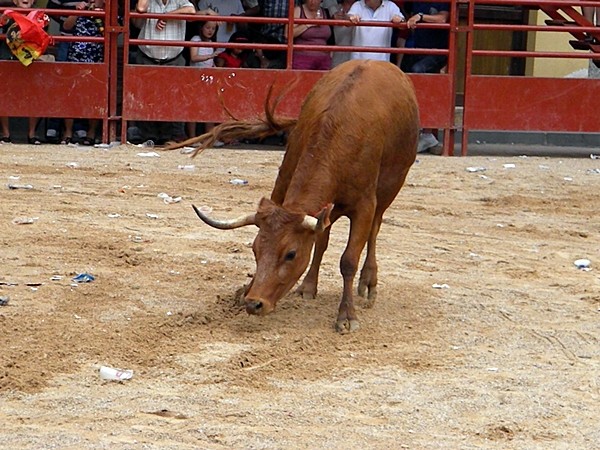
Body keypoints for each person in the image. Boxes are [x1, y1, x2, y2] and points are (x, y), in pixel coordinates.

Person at [133, 0, 196, 145]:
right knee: (146, 97)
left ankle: (170, 136)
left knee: (173, 97)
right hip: (147, 57)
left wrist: (166, 15)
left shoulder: (179, 1)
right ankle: (149, 136)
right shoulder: (149, 2)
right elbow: (141, 8)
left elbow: (191, 11)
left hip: (173, 58)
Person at [401, 1, 449, 153]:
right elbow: (406, 13)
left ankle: (426, 133)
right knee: (406, 77)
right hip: (417, 48)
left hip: (437, 51)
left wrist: (421, 17)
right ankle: (418, 133)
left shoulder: (443, 2)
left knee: (420, 74)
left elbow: (443, 19)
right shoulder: (414, 2)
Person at [0, 0, 44, 145]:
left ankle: (32, 134)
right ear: (14, 0)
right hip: (6, 56)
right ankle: (6, 134)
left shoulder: (40, 15)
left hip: (31, 59)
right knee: (3, 93)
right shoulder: (6, 14)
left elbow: (42, 38)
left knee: (35, 94)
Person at [61, 0, 105, 146]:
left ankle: (91, 134)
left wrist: (101, 15)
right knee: (71, 95)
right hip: (76, 57)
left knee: (95, 97)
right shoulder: (79, 9)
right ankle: (68, 133)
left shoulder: (109, 11)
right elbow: (66, 26)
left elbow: (114, 32)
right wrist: (78, 12)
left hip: (97, 60)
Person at [46, 0, 83, 144]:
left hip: (89, 44)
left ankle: (80, 126)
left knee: (82, 86)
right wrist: (66, 18)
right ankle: (54, 125)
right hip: (67, 39)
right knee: (61, 83)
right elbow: (51, 10)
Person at [187, 20, 218, 138]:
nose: (210, 31)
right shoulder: (196, 39)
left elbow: (211, 62)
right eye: (208, 27)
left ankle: (209, 137)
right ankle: (193, 138)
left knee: (210, 107)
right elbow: (193, 57)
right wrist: (210, 56)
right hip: (195, 78)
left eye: (213, 28)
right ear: (201, 28)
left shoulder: (212, 42)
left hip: (208, 79)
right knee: (194, 108)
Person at [285, 0, 332, 70]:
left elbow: (331, 37)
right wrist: (310, 23)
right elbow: (287, 34)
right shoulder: (298, 10)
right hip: (302, 59)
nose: (312, 2)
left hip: (323, 60)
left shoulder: (326, 12)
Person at [323, 0, 355, 67]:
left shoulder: (360, 8)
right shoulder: (333, 9)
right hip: (338, 52)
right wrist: (332, 19)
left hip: (355, 52)